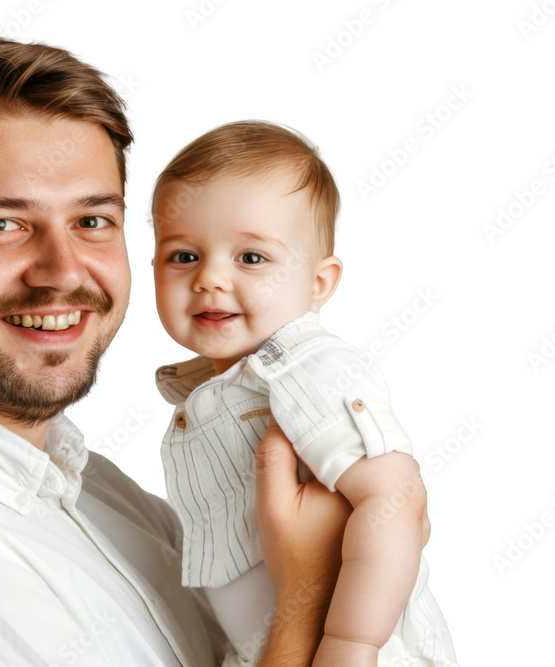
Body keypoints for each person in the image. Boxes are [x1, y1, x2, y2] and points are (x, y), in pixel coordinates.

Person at [0, 39, 354, 666]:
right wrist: (308, 588)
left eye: (92, 221)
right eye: (1, 223)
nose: (63, 271)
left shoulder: (89, 486)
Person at [150, 121, 458, 666]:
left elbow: (397, 498)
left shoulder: (307, 370)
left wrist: (351, 642)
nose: (210, 279)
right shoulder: (218, 392)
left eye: (251, 258)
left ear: (319, 284)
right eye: (183, 256)